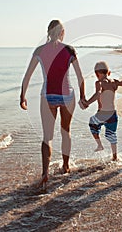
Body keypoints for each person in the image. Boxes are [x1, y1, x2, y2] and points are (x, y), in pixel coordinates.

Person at [20, 20, 86, 188]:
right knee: (66, 132)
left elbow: (27, 76)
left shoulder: (40, 50)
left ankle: (45, 173)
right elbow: (80, 77)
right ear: (62, 33)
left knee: (47, 137)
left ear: (48, 32)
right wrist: (83, 96)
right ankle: (66, 166)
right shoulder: (69, 50)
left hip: (48, 96)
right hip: (67, 96)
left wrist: (22, 96)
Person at [83, 61, 122, 161]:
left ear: (97, 74)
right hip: (113, 114)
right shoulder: (114, 82)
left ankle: (99, 145)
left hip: (102, 113)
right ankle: (115, 156)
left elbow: (98, 94)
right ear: (108, 73)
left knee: (92, 123)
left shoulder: (99, 83)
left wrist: (87, 102)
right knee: (112, 135)